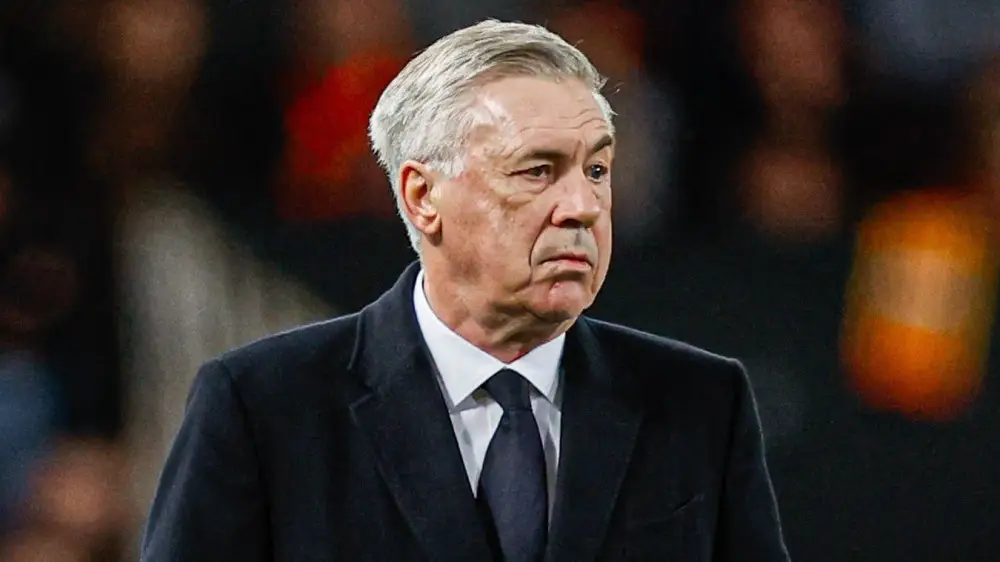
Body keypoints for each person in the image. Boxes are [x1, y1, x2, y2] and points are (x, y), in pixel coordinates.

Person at [140, 19, 789, 562]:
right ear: (423, 197)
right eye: (538, 170)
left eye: (597, 169)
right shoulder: (263, 408)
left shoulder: (701, 405)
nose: (582, 206)